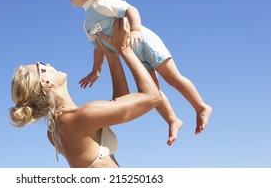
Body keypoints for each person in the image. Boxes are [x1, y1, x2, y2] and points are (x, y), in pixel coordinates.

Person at [69, 0, 212, 137]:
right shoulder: (86, 24)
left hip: (144, 42)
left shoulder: (101, 5)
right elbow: (99, 47)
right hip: (134, 55)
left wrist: (135, 30)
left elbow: (130, 10)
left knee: (172, 78)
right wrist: (96, 70)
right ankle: (173, 120)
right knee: (153, 91)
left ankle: (201, 107)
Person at [10, 19, 162, 168]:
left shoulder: (54, 132)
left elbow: (121, 102)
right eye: (42, 66)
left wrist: (112, 55)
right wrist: (124, 49)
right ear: (46, 83)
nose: (49, 64)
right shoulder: (81, 116)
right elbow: (153, 97)